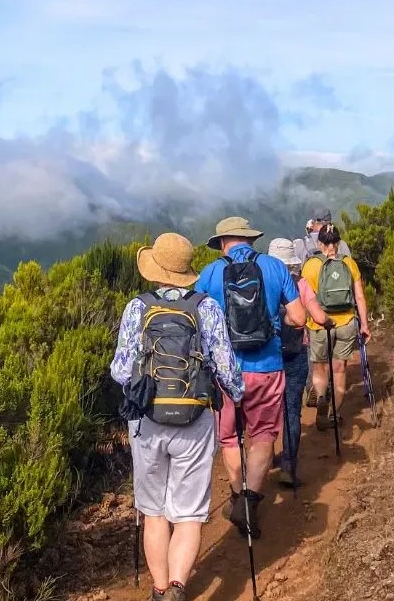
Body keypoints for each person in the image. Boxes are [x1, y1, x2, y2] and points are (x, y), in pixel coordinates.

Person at [110, 232, 246, 601]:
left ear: (155, 269)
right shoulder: (206, 307)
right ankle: (177, 587)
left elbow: (121, 371)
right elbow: (226, 368)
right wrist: (237, 396)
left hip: (147, 420)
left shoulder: (137, 308)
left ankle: (157, 589)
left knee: (154, 512)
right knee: (188, 514)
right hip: (196, 419)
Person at [195, 217, 305, 539]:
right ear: (250, 240)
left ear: (222, 242)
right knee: (263, 436)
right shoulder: (274, 267)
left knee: (229, 437)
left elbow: (197, 321)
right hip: (268, 366)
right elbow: (299, 318)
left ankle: (236, 495)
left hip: (226, 371)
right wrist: (274, 315)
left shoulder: (210, 273)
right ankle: (250, 504)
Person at [267, 237, 332, 488]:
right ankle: (288, 466)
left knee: (267, 409)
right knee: (292, 410)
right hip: (295, 352)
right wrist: (328, 322)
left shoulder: (262, 283)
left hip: (267, 355)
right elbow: (315, 316)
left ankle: (266, 454)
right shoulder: (301, 284)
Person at [301, 222, 370, 431]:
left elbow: (306, 299)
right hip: (347, 322)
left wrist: (306, 325)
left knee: (320, 367)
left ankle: (321, 396)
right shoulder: (349, 263)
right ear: (338, 243)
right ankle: (334, 413)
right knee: (339, 369)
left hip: (320, 324)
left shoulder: (311, 265)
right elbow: (359, 296)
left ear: (319, 243)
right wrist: (364, 325)